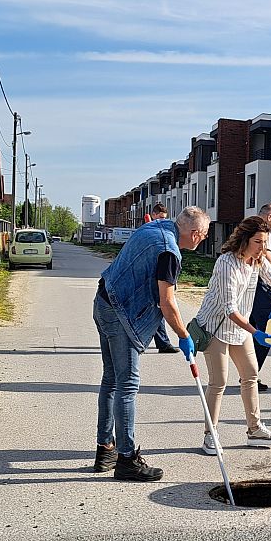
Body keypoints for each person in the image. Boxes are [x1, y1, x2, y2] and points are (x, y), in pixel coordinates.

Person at [93, 206, 210, 481]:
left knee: (110, 380)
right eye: (203, 235)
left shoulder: (154, 227)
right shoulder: (169, 252)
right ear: (193, 233)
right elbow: (166, 302)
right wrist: (184, 336)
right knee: (127, 385)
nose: (203, 240)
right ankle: (127, 459)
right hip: (121, 313)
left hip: (104, 301)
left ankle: (105, 450)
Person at [194, 215, 271, 454]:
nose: (262, 248)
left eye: (265, 243)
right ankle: (210, 435)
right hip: (216, 326)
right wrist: (256, 333)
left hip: (240, 326)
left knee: (251, 375)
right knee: (219, 382)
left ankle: (255, 430)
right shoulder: (226, 263)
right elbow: (230, 309)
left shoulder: (257, 260)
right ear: (244, 239)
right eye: (258, 242)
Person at [247, 203, 271, 391]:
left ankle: (249, 374)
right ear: (269, 217)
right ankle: (252, 375)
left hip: (251, 288)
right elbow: (266, 258)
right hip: (261, 286)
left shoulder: (251, 230)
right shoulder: (262, 234)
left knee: (253, 331)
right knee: (267, 332)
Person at [149, 203, 180, 354]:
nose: (162, 220)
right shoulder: (149, 231)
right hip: (152, 278)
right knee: (159, 308)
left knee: (158, 309)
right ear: (154, 215)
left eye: (165, 218)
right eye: (160, 217)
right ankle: (163, 343)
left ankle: (162, 342)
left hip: (160, 276)